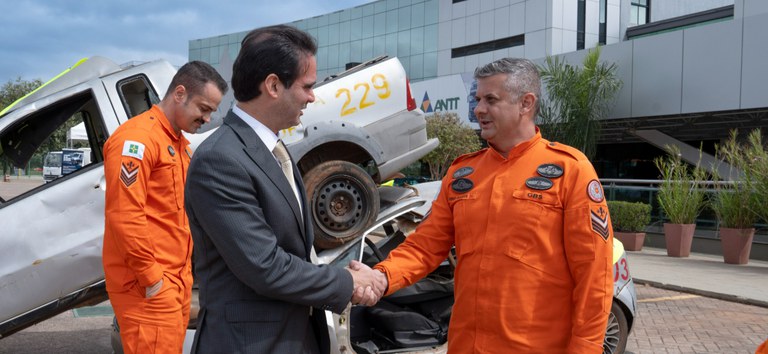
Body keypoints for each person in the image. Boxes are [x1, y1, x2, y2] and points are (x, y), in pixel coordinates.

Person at [371, 58, 614, 353]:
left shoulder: (571, 171)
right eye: (477, 99)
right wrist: (380, 277)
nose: (478, 109)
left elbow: (594, 277)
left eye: (490, 99)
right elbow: (425, 246)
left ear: (526, 103)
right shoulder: (463, 173)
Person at [184, 25, 385, 354]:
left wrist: (342, 272)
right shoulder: (220, 159)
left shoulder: (275, 151)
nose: (312, 96)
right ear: (273, 85)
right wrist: (348, 282)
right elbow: (265, 266)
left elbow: (294, 253)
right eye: (307, 86)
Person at [102, 61, 227, 354]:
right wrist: (152, 278)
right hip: (148, 287)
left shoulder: (176, 143)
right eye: (204, 108)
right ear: (180, 93)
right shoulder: (137, 140)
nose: (207, 119)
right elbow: (125, 216)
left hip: (174, 282)